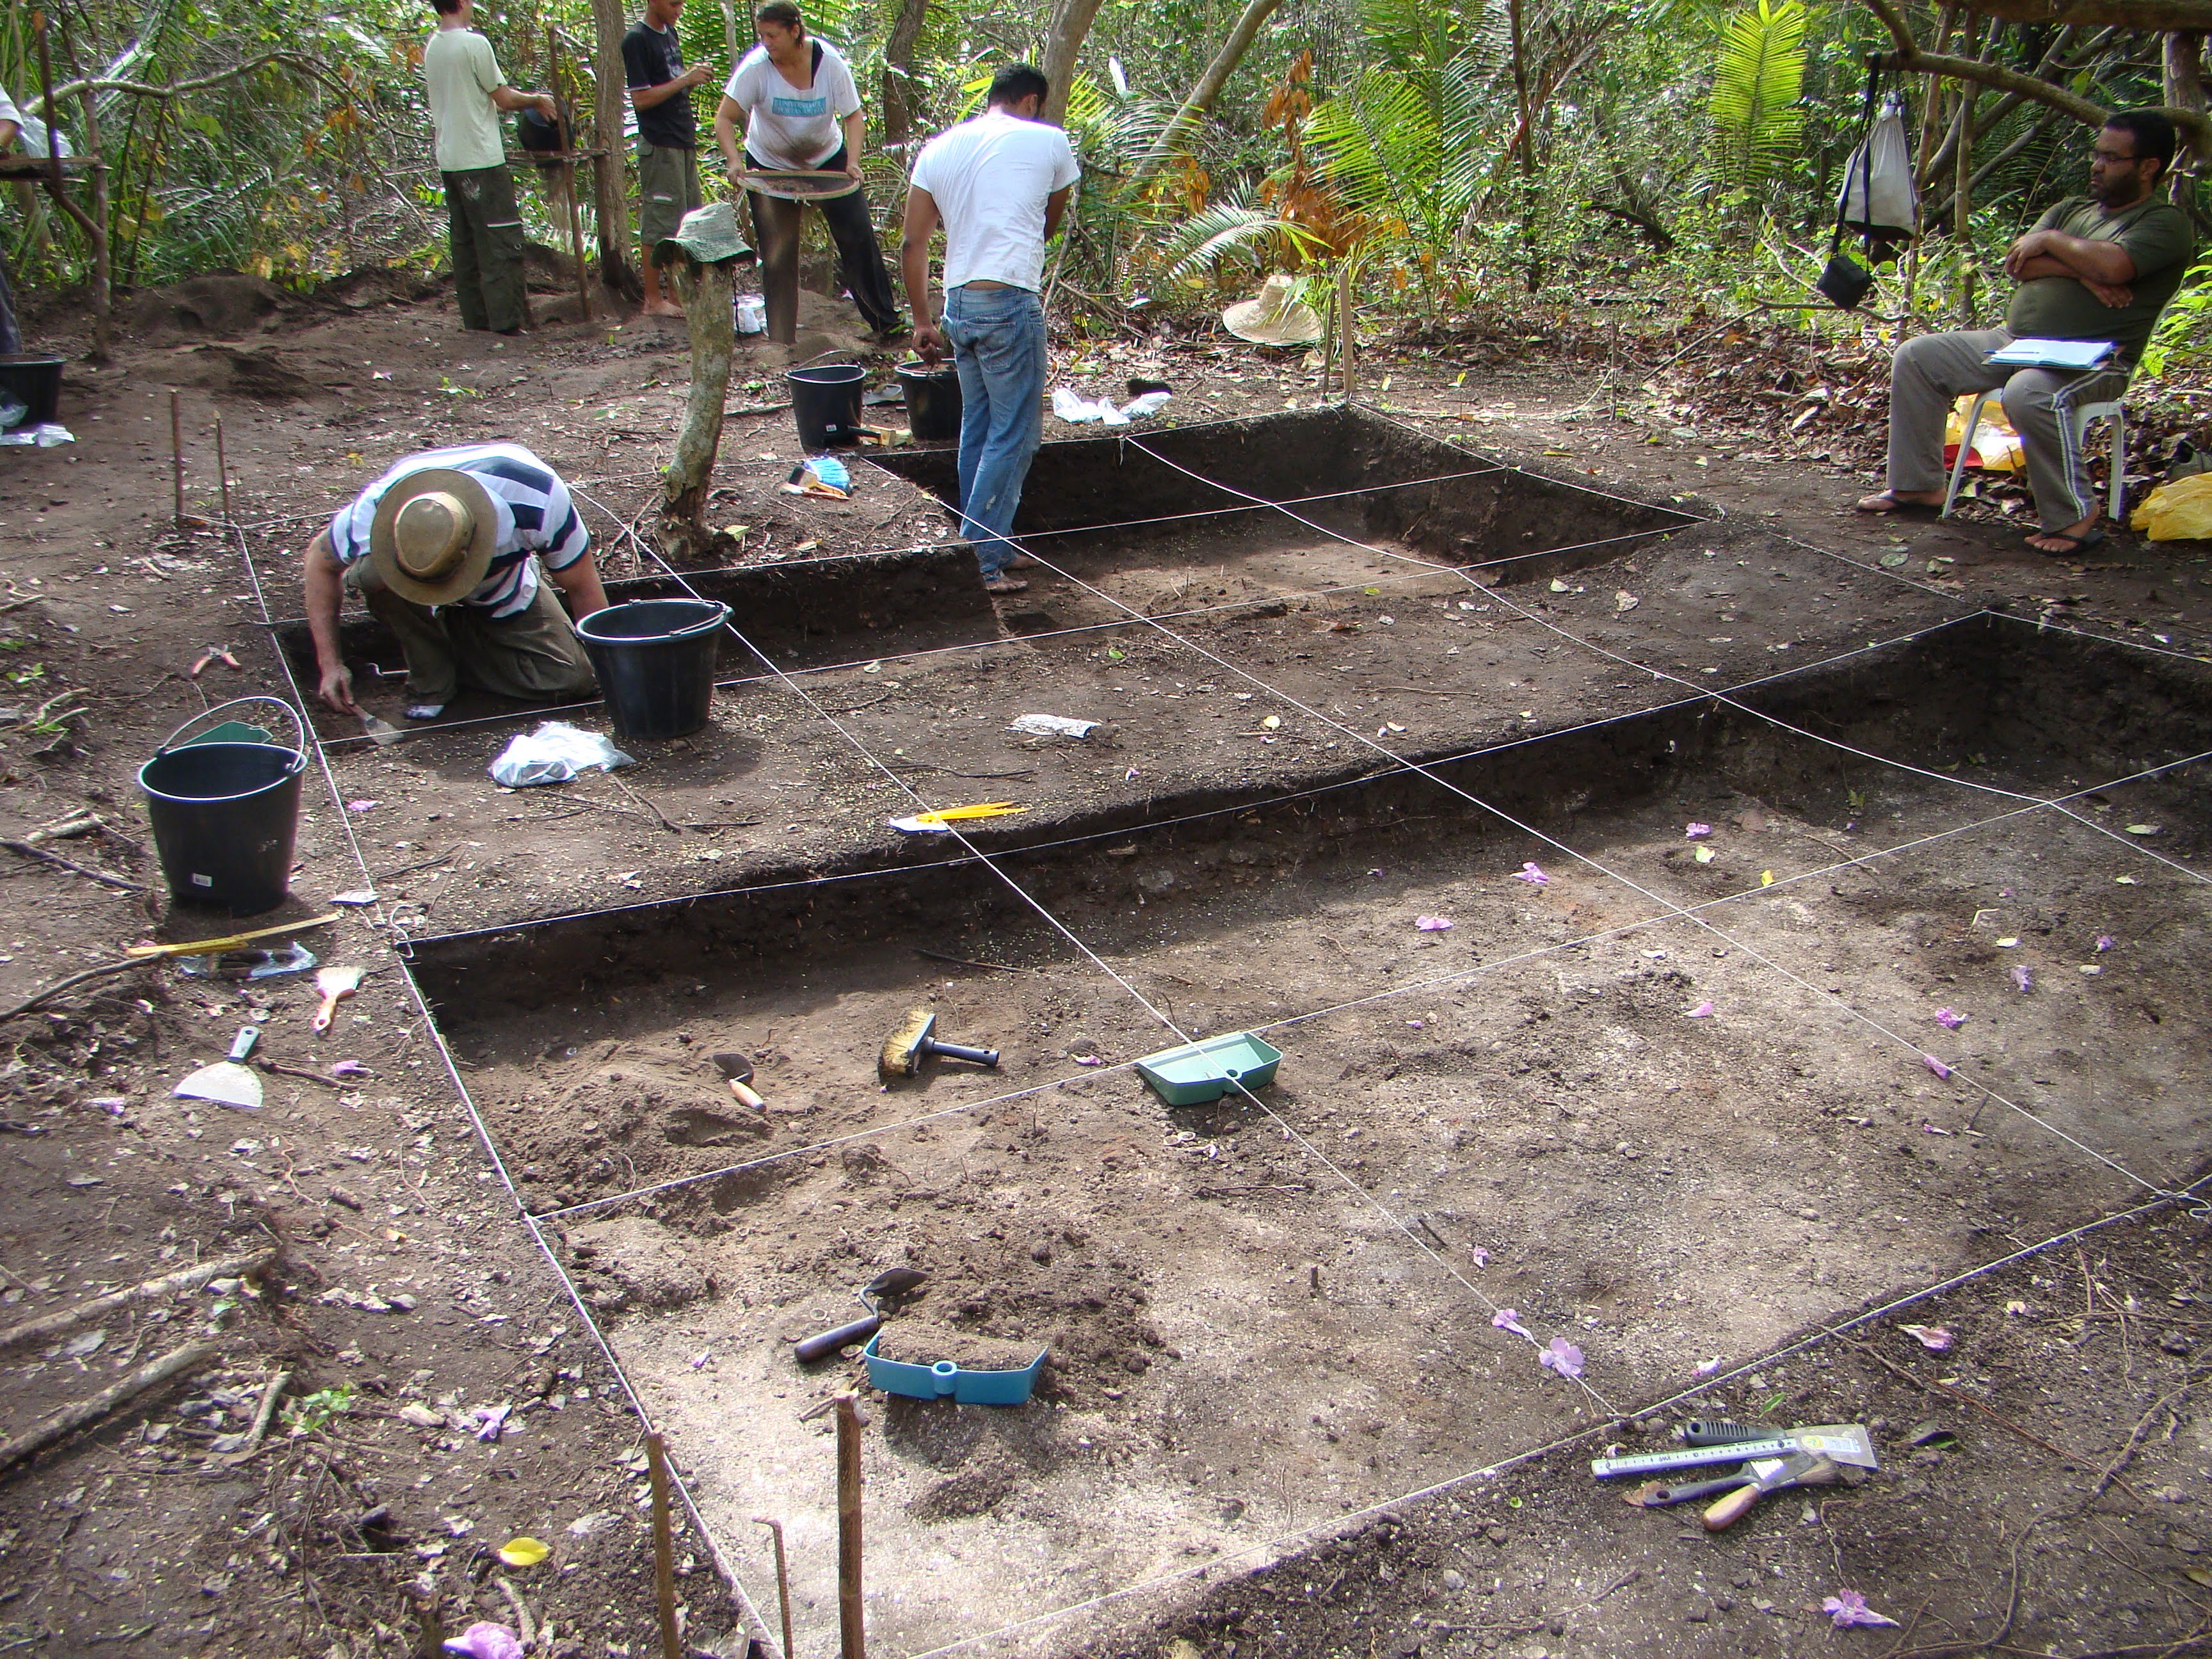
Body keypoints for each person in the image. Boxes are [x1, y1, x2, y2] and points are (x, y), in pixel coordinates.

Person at [1857, 111, 2195, 556]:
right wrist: (2085, 271)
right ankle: (1917, 487)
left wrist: (2054, 244)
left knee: (2029, 392)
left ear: (2148, 166)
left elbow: (2116, 265)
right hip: (2015, 340)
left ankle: (2073, 516)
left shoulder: (2163, 223)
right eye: (2097, 154)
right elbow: (2020, 262)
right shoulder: (2070, 210)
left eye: (2111, 158)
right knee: (1918, 357)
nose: (2097, 165)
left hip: (2095, 357)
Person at [901, 63, 1080, 595]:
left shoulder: (939, 149)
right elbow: (1049, 218)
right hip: (1008, 300)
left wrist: (921, 320)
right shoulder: (1049, 140)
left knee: (978, 428)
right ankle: (980, 559)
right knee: (1015, 434)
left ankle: (991, 545)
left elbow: (913, 243)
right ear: (1030, 101)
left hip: (960, 302)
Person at [305, 444, 607, 722]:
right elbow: (319, 563)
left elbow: (581, 586)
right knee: (371, 574)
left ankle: (461, 648)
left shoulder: (539, 499)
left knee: (571, 677)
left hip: (503, 588)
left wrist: (613, 673)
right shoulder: (380, 509)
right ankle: (431, 673)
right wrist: (329, 665)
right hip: (411, 594)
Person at [713, 1, 902, 344]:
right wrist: (734, 160)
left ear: (795, 31)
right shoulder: (756, 68)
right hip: (771, 163)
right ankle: (781, 340)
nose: (766, 42)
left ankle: (886, 324)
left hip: (827, 158)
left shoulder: (829, 64)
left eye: (773, 35)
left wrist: (853, 162)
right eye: (762, 35)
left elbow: (854, 116)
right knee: (777, 254)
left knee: (857, 237)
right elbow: (724, 118)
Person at [423, 0, 559, 335]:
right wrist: (537, 100)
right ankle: (506, 322)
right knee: (500, 237)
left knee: (467, 242)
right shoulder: (474, 44)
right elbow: (504, 98)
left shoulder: (434, 45)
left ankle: (477, 320)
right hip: (481, 160)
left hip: (451, 159)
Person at [625, 0, 715, 319]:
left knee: (686, 221)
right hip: (659, 143)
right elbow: (641, 98)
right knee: (659, 222)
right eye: (674, 2)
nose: (680, 8)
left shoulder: (670, 33)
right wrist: (685, 80)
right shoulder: (637, 40)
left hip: (682, 140)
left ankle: (676, 295)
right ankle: (652, 299)